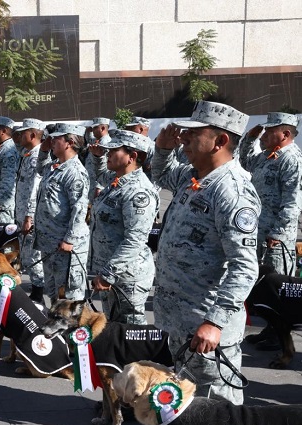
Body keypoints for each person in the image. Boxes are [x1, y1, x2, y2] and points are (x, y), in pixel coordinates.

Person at [152, 101, 260, 405]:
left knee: (218, 410)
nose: (184, 138)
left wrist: (215, 322)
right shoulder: (194, 177)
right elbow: (160, 175)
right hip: (180, 321)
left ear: (220, 141)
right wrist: (161, 148)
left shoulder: (231, 191)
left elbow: (244, 267)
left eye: (194, 133)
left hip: (206, 326)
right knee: (186, 406)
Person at [238, 112, 302, 350]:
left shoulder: (292, 159)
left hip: (276, 237)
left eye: (269, 131)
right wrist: (249, 139)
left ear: (285, 134)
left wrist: (277, 232)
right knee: (262, 287)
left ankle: (280, 337)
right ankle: (271, 329)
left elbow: (293, 202)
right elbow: (244, 160)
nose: (264, 134)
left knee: (278, 289)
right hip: (257, 231)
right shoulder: (267, 156)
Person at [89, 130, 160, 324]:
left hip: (127, 276)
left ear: (132, 156)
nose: (108, 154)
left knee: (129, 336)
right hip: (111, 273)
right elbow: (101, 175)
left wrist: (108, 274)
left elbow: (134, 240)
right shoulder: (117, 182)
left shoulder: (138, 191)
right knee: (114, 329)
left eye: (114, 150)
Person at [34, 123, 90, 305]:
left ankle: (72, 333)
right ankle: (58, 332)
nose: (51, 141)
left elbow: (79, 209)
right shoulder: (55, 166)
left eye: (56, 138)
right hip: (50, 242)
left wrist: (70, 239)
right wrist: (43, 151)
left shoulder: (75, 172)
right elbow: (40, 169)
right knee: (53, 294)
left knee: (68, 299)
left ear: (69, 142)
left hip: (64, 245)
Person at [14, 118, 46, 304]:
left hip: (29, 216)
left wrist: (29, 216)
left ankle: (38, 296)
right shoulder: (27, 153)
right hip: (21, 213)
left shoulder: (36, 158)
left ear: (33, 135)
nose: (19, 136)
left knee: (33, 256)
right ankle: (35, 292)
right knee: (26, 255)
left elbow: (35, 189)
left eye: (23, 132)